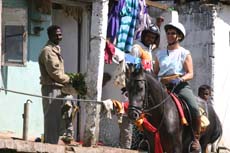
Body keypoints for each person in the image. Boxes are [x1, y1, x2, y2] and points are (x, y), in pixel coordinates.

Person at [154, 21, 201, 152]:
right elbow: (155, 73)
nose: (169, 35)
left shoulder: (184, 53)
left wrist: (180, 79)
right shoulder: (159, 54)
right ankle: (145, 138)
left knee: (194, 107)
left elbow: (190, 73)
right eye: (168, 33)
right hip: (162, 86)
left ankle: (195, 139)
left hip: (179, 86)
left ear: (178, 36)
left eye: (173, 33)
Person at [38, 25, 73, 144]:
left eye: (60, 34)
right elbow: (55, 73)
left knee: (59, 120)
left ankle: (54, 143)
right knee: (51, 121)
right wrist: (71, 80)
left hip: (58, 88)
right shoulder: (48, 51)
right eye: (56, 34)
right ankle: (50, 147)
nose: (59, 37)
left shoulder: (55, 49)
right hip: (51, 88)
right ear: (50, 36)